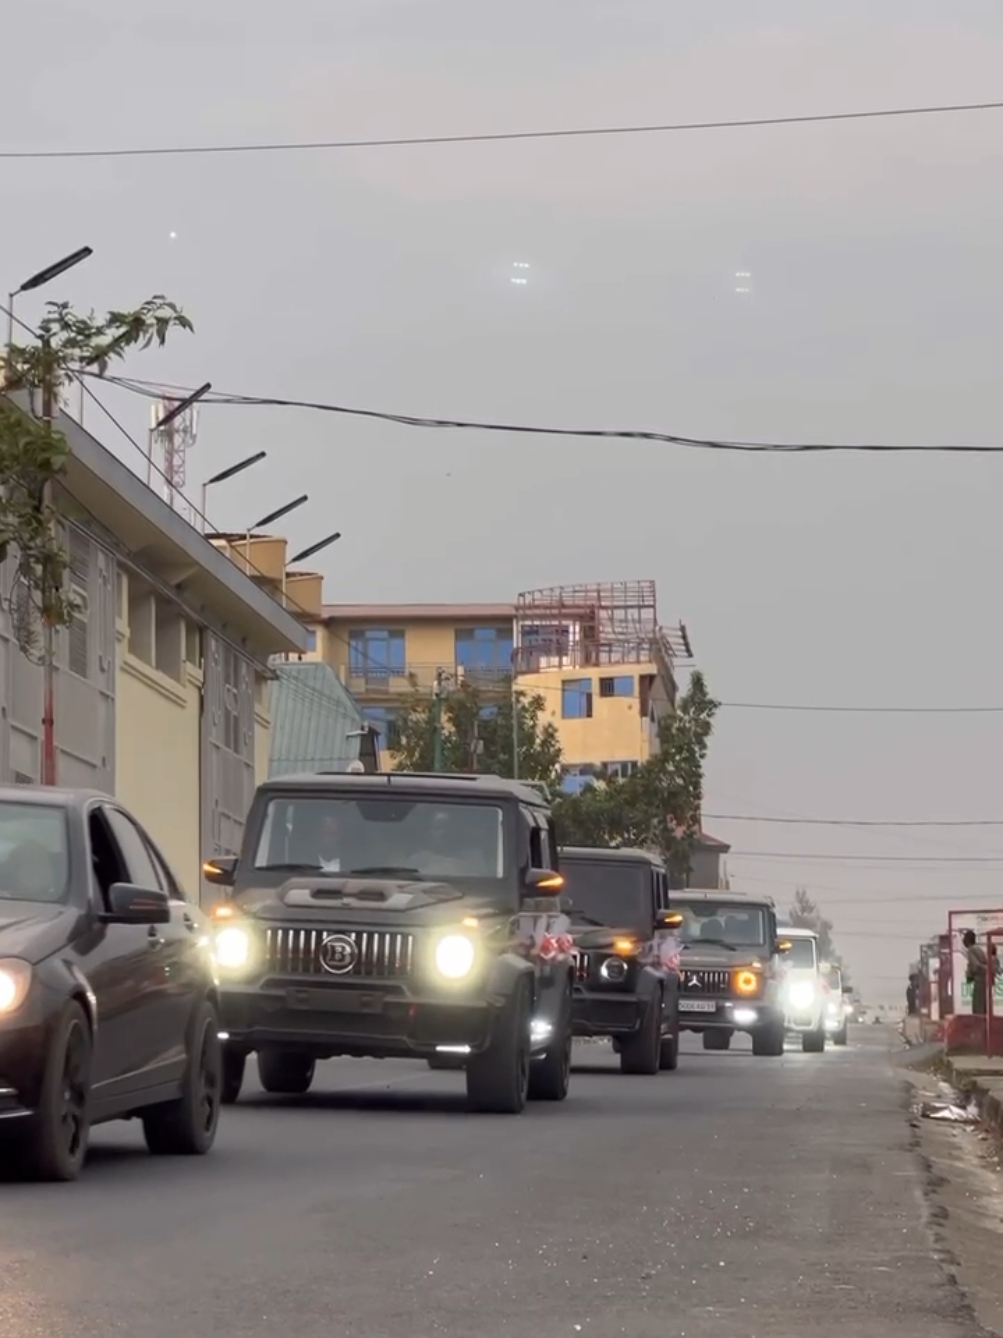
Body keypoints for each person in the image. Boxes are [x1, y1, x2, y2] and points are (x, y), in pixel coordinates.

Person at [963, 930, 989, 1016]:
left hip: (979, 979)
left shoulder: (971, 950)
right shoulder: (979, 949)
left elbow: (976, 965)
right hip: (985, 979)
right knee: (983, 1005)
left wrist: (969, 973)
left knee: (977, 1007)